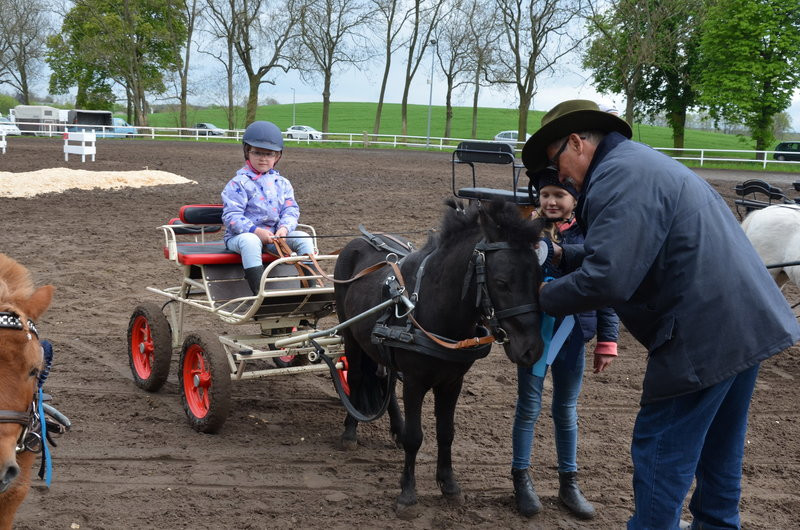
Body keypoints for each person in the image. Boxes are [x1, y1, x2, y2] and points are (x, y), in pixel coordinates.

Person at [520, 99, 800, 529]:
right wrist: (565, 253)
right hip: (746, 321)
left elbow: (609, 279)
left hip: (703, 332)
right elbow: (634, 250)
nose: (559, 177)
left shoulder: (616, 177)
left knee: (660, 448)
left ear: (576, 143)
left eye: (556, 163)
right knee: (719, 448)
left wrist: (542, 295)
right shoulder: (639, 165)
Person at [511, 169, 619, 520]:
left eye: (559, 195)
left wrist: (608, 339)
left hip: (573, 335)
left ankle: (568, 483)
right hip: (533, 335)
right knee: (528, 406)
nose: (551, 202)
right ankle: (521, 478)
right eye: (545, 195)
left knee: (566, 409)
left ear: (575, 200)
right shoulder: (525, 232)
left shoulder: (591, 235)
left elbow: (606, 288)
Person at [222, 120, 315, 294]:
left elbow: (290, 209)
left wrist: (284, 228)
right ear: (247, 152)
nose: (263, 158)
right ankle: (259, 292)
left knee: (304, 237)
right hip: (241, 237)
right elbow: (231, 216)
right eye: (257, 153)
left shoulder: (283, 183)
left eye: (269, 154)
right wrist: (256, 231)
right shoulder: (238, 183)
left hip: (275, 238)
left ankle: (309, 290)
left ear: (277, 156)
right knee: (250, 241)